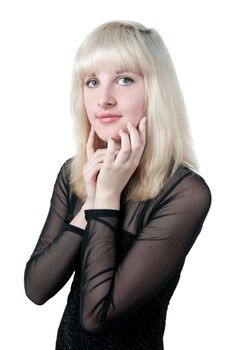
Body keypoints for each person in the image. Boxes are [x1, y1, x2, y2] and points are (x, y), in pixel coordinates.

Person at [24, 20, 212, 349]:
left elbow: (96, 317)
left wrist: (107, 197)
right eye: (92, 81)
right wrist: (90, 202)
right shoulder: (74, 174)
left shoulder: (185, 193)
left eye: (124, 80)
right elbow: (37, 289)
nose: (104, 99)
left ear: (156, 91)